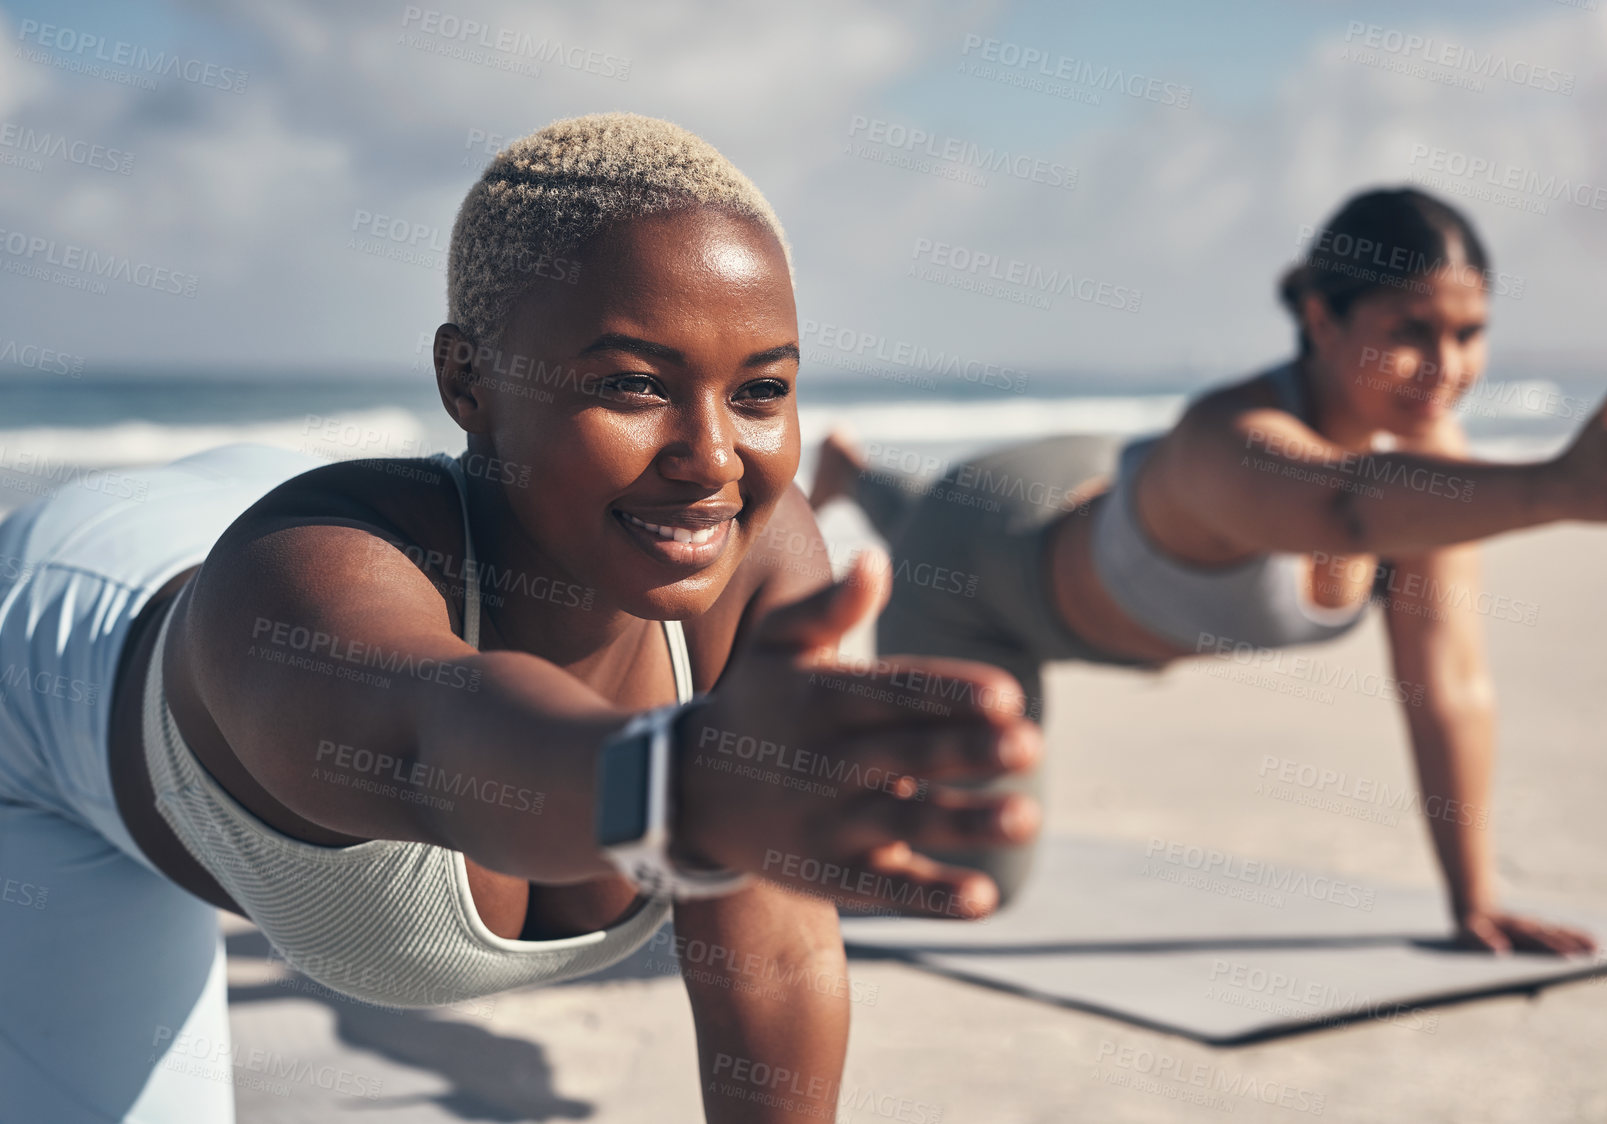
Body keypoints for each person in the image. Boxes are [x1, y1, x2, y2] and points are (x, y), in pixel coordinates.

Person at [0, 112, 1042, 1124]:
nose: (714, 456)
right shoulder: (286, 602)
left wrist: (720, 792)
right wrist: (673, 779)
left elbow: (771, 953)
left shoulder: (756, 561)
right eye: (633, 384)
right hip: (50, 671)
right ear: (466, 378)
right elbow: (441, 733)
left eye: (760, 389)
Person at [810, 187, 1607, 953]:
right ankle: (889, 497)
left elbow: (1449, 682)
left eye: (1470, 333)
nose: (1447, 368)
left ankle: (864, 478)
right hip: (984, 570)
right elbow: (1345, 508)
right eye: (1412, 331)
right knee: (973, 883)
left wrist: (1471, 900)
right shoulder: (1231, 439)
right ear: (1320, 319)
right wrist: (1553, 486)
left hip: (1088, 484)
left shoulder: (1435, 464)